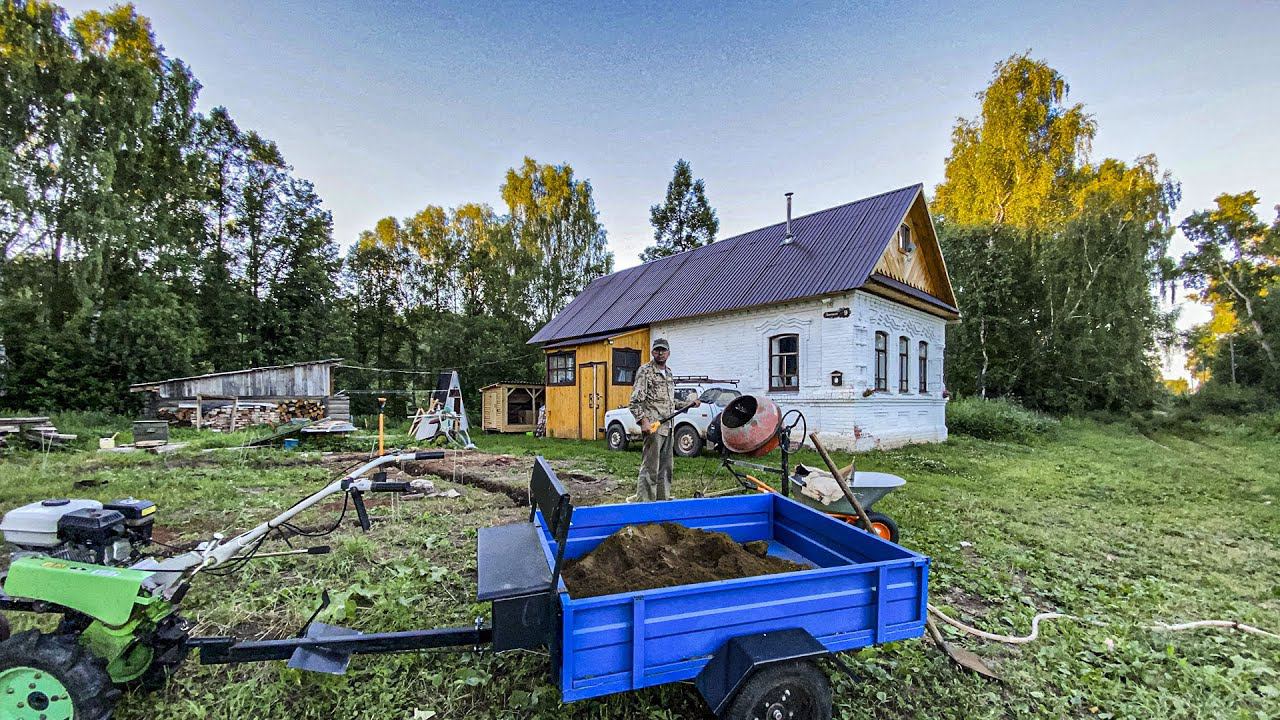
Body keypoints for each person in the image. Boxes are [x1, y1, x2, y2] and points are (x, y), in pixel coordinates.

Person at [628, 337, 699, 502]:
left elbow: (669, 402)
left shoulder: (669, 373)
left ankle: (661, 502)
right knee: (650, 468)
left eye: (663, 350)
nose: (660, 353)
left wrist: (688, 404)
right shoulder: (645, 371)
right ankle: (645, 505)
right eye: (657, 350)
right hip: (654, 427)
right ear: (653, 352)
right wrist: (643, 422)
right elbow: (634, 402)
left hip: (669, 427)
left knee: (666, 469)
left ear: (668, 353)